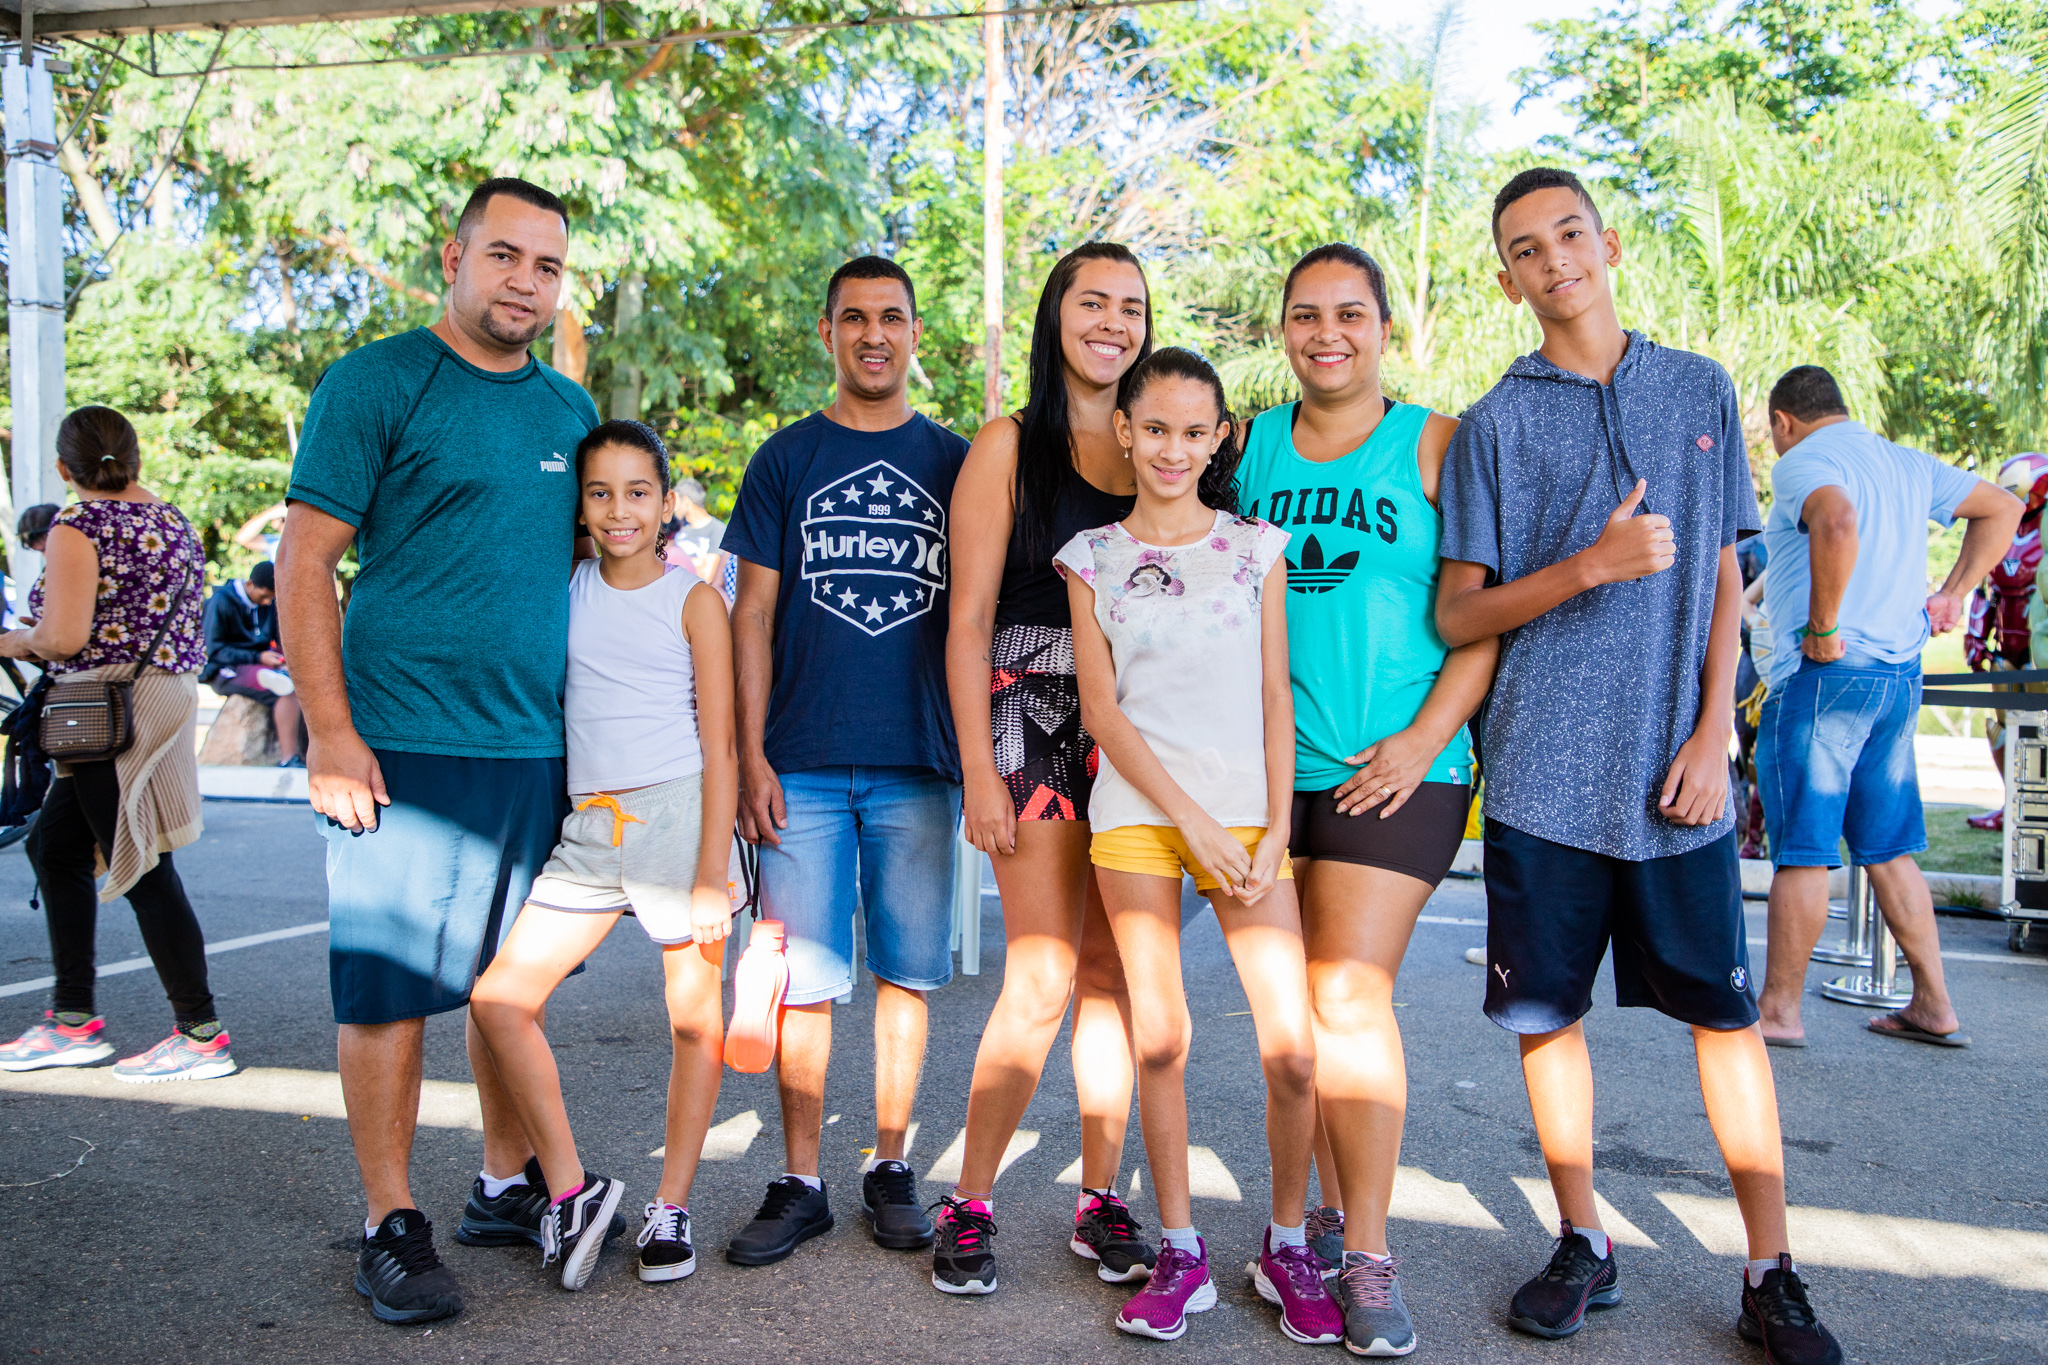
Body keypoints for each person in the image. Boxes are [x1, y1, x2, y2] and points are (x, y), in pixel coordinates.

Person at [1435, 168, 1842, 1364]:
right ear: (1503, 279)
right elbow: (1462, 617)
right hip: (1540, 777)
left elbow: (1723, 571)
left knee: (1721, 1018)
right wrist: (1586, 567)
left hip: (1679, 780)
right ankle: (1582, 1240)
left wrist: (1715, 728)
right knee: (1544, 1017)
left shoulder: (1699, 389)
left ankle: (1769, 1270)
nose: (1551, 258)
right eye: (1524, 248)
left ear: (1604, 243)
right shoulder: (1494, 422)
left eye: (1567, 233)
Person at [276, 177, 600, 1326]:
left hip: (532, 746)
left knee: (509, 989)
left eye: (547, 266)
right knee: (389, 990)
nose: (524, 282)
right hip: (400, 743)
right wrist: (331, 734)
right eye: (504, 256)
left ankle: (504, 1189)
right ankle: (388, 1222)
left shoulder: (569, 411)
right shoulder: (373, 383)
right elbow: (304, 561)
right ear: (453, 258)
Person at [1234, 243, 1496, 1358]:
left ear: (1384, 328)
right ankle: (1316, 1225)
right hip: (1258, 773)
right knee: (1295, 1027)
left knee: (1348, 999)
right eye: (1303, 315)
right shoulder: (1240, 446)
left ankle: (1369, 1256)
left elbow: (1482, 618)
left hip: (1394, 769)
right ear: (1282, 328)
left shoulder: (1434, 442)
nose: (1324, 332)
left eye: (1348, 314)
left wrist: (1423, 737)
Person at [1060, 347, 1336, 1346]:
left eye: (1193, 431)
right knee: (1161, 1034)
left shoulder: (1255, 548)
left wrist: (1274, 834)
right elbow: (1103, 714)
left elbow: (1274, 696)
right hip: (1140, 818)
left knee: (1294, 1051)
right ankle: (1178, 1251)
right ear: (1125, 432)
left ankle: (1286, 1242)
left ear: (1219, 437)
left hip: (1252, 822)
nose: (1173, 448)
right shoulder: (1088, 557)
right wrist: (1194, 822)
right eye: (1155, 429)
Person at [722, 255, 968, 1267]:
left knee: (905, 977)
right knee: (805, 985)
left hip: (916, 761)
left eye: (892, 318)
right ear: (826, 332)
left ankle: (891, 1164)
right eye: (854, 318)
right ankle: (799, 1179)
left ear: (916, 334)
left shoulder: (959, 463)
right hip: (803, 763)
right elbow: (752, 618)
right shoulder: (785, 458)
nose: (874, 334)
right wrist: (748, 758)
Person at [470, 419, 739, 1291]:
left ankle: (671, 1207)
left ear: (666, 502)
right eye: (599, 492)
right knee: (499, 1000)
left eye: (636, 491)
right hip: (589, 830)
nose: (618, 509)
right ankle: (572, 1190)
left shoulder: (694, 599)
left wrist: (709, 873)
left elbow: (722, 746)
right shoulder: (568, 586)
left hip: (678, 820)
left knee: (694, 1021)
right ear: (579, 505)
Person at [932, 243, 1148, 1297]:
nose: (1112, 322)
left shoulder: (1165, 439)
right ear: (1055, 315)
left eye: (1131, 307)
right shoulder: (1008, 446)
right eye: (1091, 302)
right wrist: (978, 768)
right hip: (1033, 711)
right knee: (1041, 974)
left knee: (1116, 976)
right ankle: (967, 1200)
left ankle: (1100, 1198)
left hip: (1140, 727)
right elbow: (965, 619)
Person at [1754, 365, 2018, 1050]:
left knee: (1806, 851)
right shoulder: (1903, 462)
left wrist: (1823, 625)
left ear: (1783, 421)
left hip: (1826, 675)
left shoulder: (1804, 462)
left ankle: (1778, 1010)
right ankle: (1933, 1000)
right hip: (1897, 676)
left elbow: (1836, 520)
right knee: (1889, 848)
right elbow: (2003, 507)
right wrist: (1953, 592)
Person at [0, 406, 228, 1082]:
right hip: (156, 696)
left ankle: (201, 1031)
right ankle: (72, 1016)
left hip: (104, 707)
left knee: (145, 864)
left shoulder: (78, 525)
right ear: (132, 456)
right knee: (56, 846)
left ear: (67, 470)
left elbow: (63, 638)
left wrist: (14, 639)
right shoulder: (172, 520)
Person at [1962, 452, 2048, 830]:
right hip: (2006, 651)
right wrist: (1977, 636)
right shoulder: (2001, 526)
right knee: (2002, 726)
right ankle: (2011, 803)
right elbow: (1988, 590)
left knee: (2040, 730)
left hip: (2039, 649)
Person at [199, 560, 304, 766]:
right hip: (224, 669)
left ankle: (305, 753)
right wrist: (257, 658)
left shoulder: (268, 604)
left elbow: (277, 637)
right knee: (286, 689)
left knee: (295, 682)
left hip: (263, 663)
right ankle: (288, 757)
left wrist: (282, 659)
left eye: (270, 598)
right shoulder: (221, 601)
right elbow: (214, 650)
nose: (266, 602)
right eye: (263, 596)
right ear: (249, 584)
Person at [663, 477, 729, 587]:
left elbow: (707, 575)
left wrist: (681, 562)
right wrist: (699, 562)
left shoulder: (718, 530)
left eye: (676, 501)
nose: (674, 508)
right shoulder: (678, 527)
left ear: (686, 501)